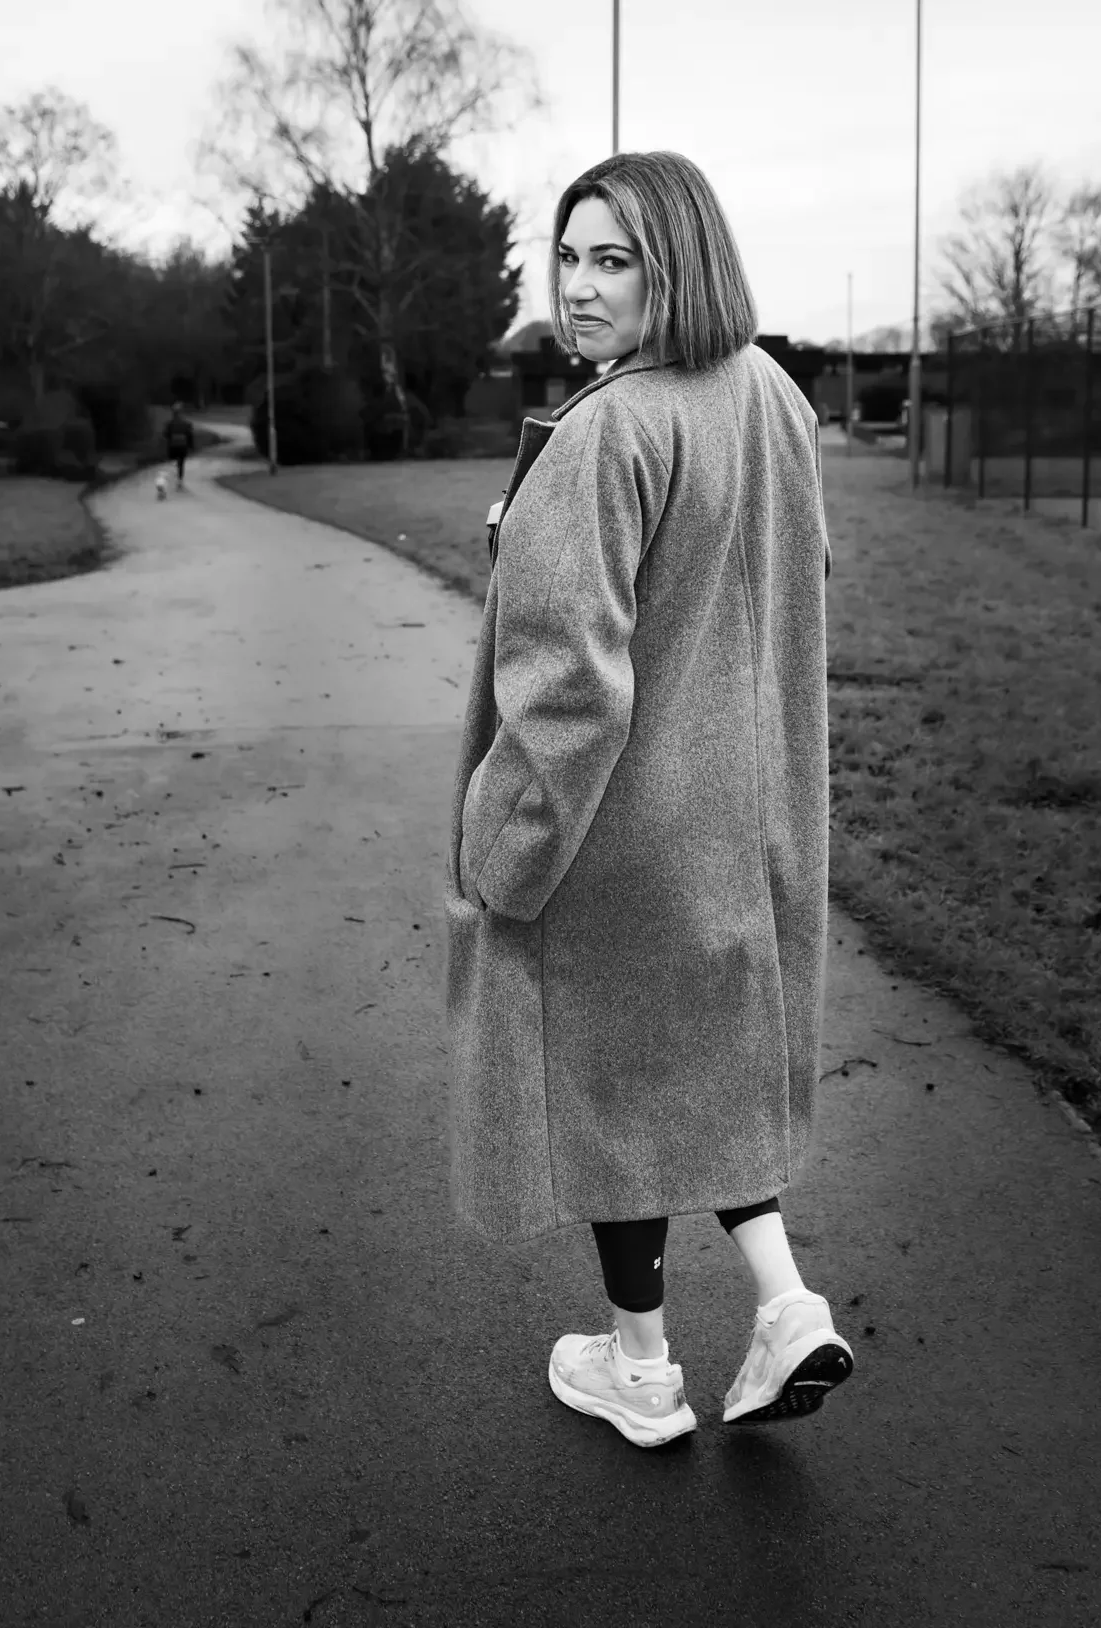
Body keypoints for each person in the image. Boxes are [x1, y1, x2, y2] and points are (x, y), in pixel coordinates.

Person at [445, 150, 853, 1449]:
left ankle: (637, 1371)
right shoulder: (773, 396)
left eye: (610, 259)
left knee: (614, 1094)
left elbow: (570, 689)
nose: (576, 286)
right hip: (755, 812)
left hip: (622, 828)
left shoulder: (608, 429)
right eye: (564, 256)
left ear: (675, 263)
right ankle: (786, 1304)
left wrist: (501, 857)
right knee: (706, 1078)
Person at [163, 402, 194, 487]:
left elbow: (166, 434)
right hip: (182, 446)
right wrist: (191, 446)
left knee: (173, 460)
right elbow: (189, 435)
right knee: (181, 462)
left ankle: (173, 476)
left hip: (173, 445)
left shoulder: (170, 423)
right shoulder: (186, 424)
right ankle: (179, 478)